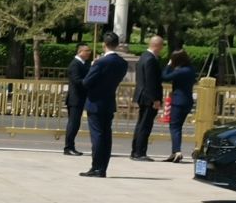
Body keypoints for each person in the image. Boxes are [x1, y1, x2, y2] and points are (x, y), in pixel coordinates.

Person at [80, 32, 129, 177]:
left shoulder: (101, 62)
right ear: (117, 44)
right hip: (109, 102)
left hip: (95, 102)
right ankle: (103, 168)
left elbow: (86, 82)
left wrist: (93, 66)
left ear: (104, 44)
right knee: (106, 136)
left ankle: (96, 167)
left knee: (97, 135)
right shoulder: (122, 63)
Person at [130, 34, 165, 160]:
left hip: (143, 96)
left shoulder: (144, 57)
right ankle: (139, 152)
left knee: (141, 124)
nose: (162, 48)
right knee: (145, 126)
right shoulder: (150, 59)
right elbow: (151, 82)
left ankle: (135, 151)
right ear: (157, 45)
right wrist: (155, 99)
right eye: (161, 45)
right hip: (148, 97)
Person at [163, 47, 198, 162]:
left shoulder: (180, 71)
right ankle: (174, 152)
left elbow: (165, 77)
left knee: (174, 127)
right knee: (178, 127)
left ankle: (177, 151)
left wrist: (168, 65)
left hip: (178, 101)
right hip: (188, 101)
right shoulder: (191, 69)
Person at [63, 42, 91, 156]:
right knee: (73, 124)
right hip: (75, 99)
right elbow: (77, 81)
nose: (89, 53)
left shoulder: (84, 63)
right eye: (87, 51)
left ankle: (71, 146)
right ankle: (68, 147)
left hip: (81, 98)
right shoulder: (75, 64)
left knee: (76, 124)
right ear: (80, 52)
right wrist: (88, 82)